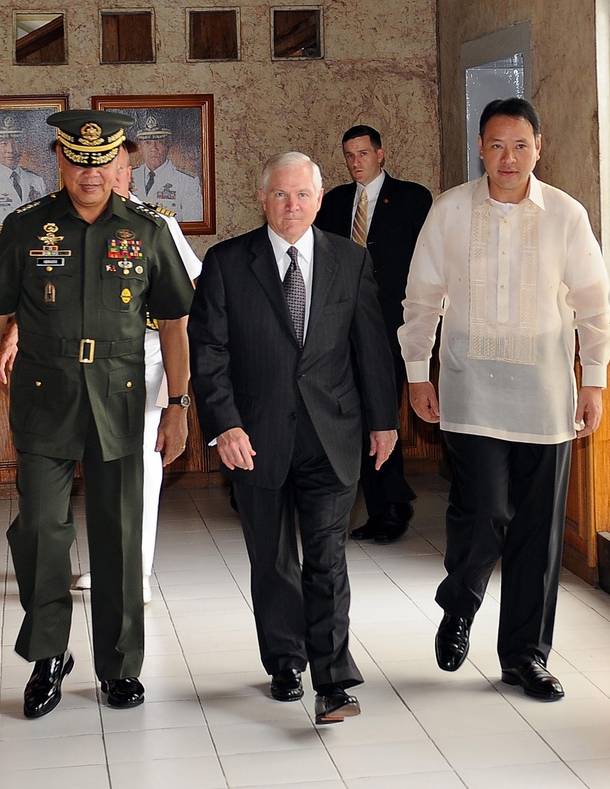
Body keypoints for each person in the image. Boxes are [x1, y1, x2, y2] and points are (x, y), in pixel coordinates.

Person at [0, 109, 195, 718]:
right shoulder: (25, 227)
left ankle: (119, 666)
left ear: (120, 162)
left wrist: (179, 405)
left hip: (120, 399)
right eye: (77, 161)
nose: (90, 174)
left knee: (119, 536)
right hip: (45, 399)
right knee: (40, 531)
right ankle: (48, 656)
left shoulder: (150, 230)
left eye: (101, 161)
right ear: (60, 161)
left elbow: (174, 323)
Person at [399, 98, 610, 702]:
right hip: (470, 391)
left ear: (539, 148)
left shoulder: (566, 216)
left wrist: (593, 379)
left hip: (546, 396)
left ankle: (525, 656)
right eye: (496, 145)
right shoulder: (449, 211)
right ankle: (461, 604)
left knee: (538, 532)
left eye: (520, 146)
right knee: (483, 510)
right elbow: (422, 297)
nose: (509, 158)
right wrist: (419, 372)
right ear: (480, 148)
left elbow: (593, 304)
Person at [188, 152, 399, 725]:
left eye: (303, 195)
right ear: (263, 199)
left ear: (320, 197)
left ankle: (333, 682)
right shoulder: (228, 262)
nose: (292, 206)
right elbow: (209, 354)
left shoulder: (349, 260)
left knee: (327, 558)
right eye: (281, 195)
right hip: (253, 439)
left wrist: (384, 420)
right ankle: (285, 659)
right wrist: (223, 424)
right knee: (273, 558)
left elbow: (371, 347)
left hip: (333, 433)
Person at [0, 142, 204, 605]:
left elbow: (185, 295)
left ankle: (135, 572)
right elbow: (47, 297)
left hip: (143, 363)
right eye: (90, 165)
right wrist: (16, 330)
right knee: (50, 487)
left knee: (139, 469)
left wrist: (178, 394)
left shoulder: (155, 224)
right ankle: (53, 567)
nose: (108, 176)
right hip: (70, 372)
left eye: (118, 168)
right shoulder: (47, 223)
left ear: (128, 171)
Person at [315, 125, 432, 543]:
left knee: (383, 413)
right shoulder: (334, 202)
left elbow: (426, 262)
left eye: (363, 153)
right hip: (344, 327)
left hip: (394, 325)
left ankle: (392, 507)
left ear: (381, 154)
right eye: (349, 155)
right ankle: (386, 505)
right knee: (359, 416)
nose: (356, 162)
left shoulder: (412, 198)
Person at [130, 114, 204, 222]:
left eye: (159, 142)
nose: (153, 148)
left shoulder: (187, 182)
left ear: (168, 145)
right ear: (140, 148)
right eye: (147, 143)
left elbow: (194, 225)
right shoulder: (129, 176)